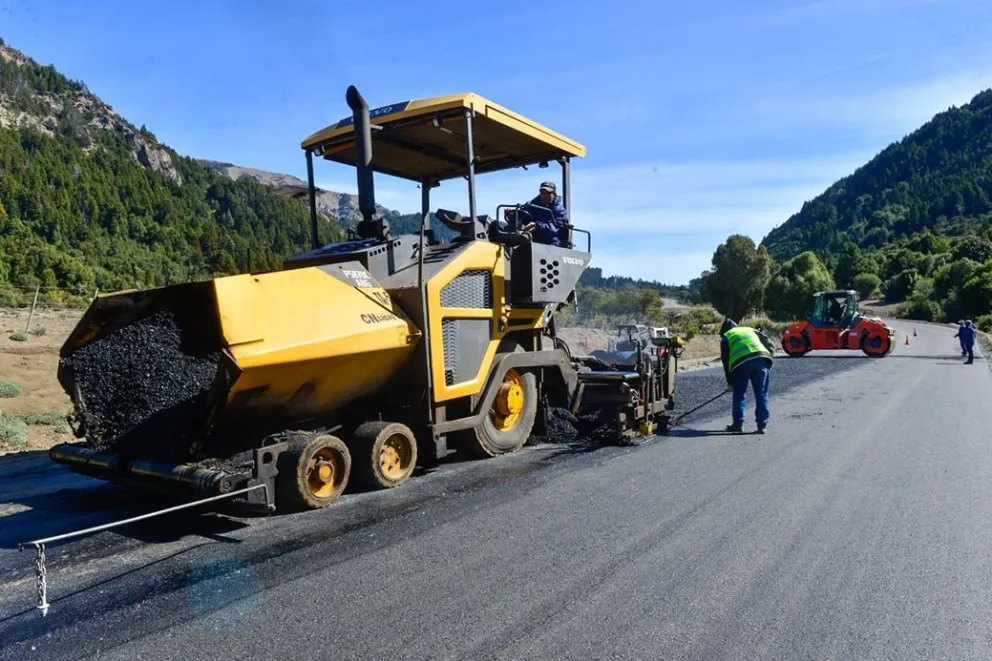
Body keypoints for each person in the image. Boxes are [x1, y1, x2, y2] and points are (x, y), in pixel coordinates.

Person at [720, 318, 776, 434]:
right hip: (761, 360)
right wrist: (767, 360)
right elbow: (770, 344)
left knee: (739, 394)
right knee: (761, 394)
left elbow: (726, 362)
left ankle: (737, 424)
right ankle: (762, 426)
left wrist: (730, 383)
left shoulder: (727, 336)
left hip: (740, 365)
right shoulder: (750, 329)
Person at [517, 181, 569, 246]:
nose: (544, 195)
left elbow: (555, 228)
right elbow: (522, 214)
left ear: (554, 194)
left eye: (548, 193)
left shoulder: (560, 210)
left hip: (553, 245)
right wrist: (513, 214)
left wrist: (537, 225)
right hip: (532, 242)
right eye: (542, 193)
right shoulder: (532, 205)